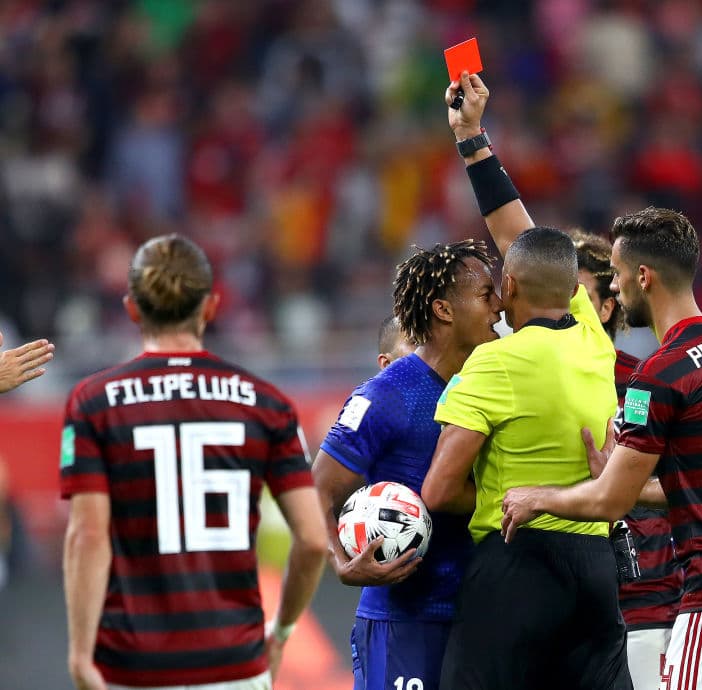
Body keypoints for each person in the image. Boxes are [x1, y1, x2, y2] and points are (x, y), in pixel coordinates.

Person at [502, 206, 702, 690]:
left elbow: (608, 502)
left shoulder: (660, 372)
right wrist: (626, 480)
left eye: (617, 275)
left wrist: (537, 497)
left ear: (644, 276)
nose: (613, 287)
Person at [420, 72, 630, 690]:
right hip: (595, 569)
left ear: (507, 288)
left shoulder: (492, 363)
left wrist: (492, 493)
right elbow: (523, 237)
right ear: (574, 290)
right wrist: (473, 139)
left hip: (516, 566)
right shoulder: (593, 336)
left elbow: (435, 491)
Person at [60, 234, 327, 690]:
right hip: (235, 664)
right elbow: (314, 540)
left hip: (132, 667)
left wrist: (82, 654)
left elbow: (87, 534)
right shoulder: (266, 404)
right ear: (210, 307)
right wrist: (280, 633)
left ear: (131, 309)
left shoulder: (94, 403)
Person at [311, 239, 503, 690]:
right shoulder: (385, 395)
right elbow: (316, 490)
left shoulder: (491, 384)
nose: (500, 306)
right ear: (443, 310)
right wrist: (341, 563)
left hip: (482, 615)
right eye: (485, 295)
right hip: (405, 620)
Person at [573, 229, 683, 689]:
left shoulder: (643, 385)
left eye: (576, 299)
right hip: (562, 607)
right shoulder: (518, 382)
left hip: (644, 606)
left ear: (606, 307)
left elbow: (679, 486)